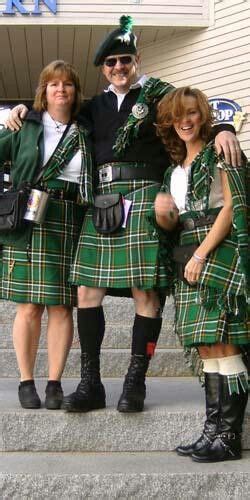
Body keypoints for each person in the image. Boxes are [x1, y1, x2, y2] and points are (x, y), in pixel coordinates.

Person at [5, 16, 242, 414]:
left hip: (146, 194)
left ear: (136, 60)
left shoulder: (160, 95)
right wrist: (20, 111)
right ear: (102, 68)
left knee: (145, 293)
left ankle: (136, 383)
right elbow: (54, 115)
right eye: (111, 62)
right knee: (85, 292)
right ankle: (91, 383)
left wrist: (222, 128)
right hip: (102, 199)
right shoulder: (92, 106)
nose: (118, 68)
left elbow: (192, 108)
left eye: (125, 60)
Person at [154, 86, 249, 462]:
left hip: (217, 251)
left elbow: (231, 207)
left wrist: (202, 254)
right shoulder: (173, 170)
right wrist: (164, 213)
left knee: (225, 342)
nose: (186, 121)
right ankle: (212, 430)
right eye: (178, 116)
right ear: (170, 124)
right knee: (207, 346)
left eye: (192, 113)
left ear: (204, 116)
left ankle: (228, 438)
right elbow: (173, 221)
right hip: (187, 252)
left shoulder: (220, 151)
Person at [0, 60, 93, 410]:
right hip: (29, 216)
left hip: (71, 217)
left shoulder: (86, 130)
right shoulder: (24, 125)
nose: (60, 89)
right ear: (44, 90)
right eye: (53, 84)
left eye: (67, 84)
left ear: (75, 91)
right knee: (29, 306)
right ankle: (26, 381)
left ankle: (54, 381)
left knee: (62, 307)